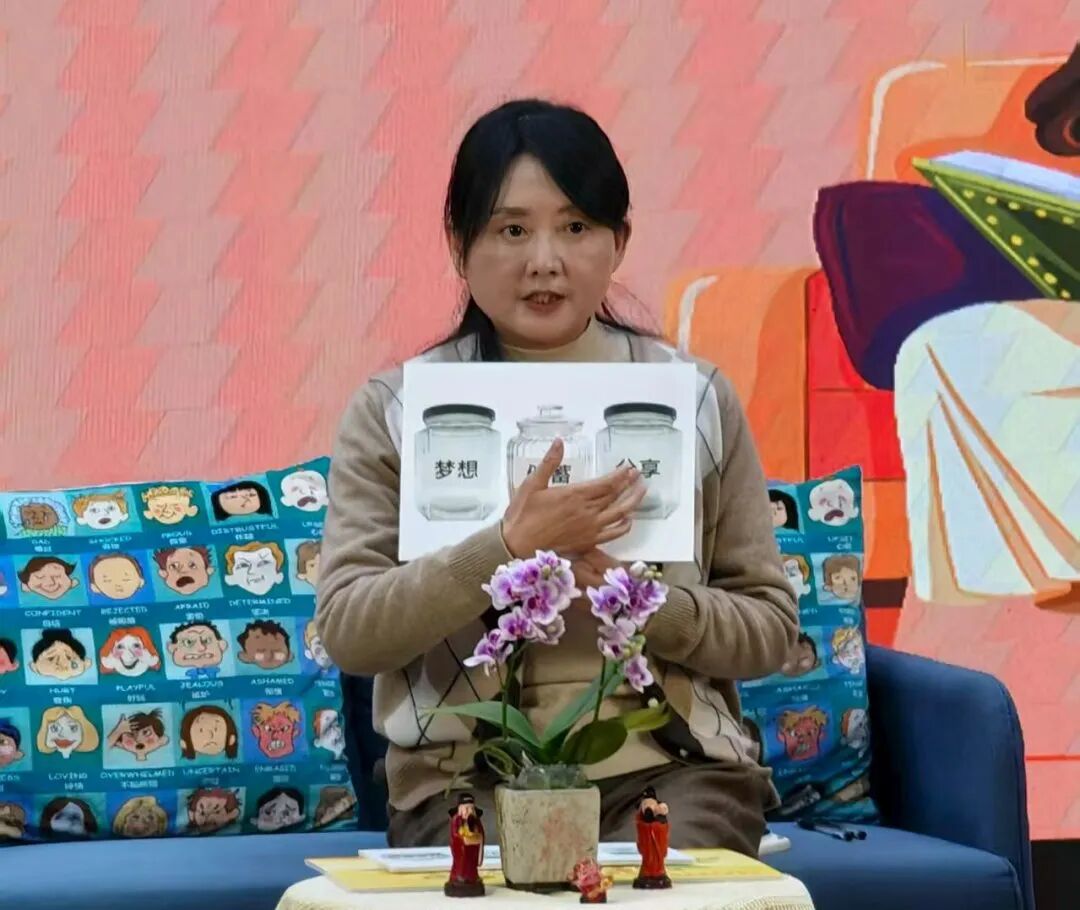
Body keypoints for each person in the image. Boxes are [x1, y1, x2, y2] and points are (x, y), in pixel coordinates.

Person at [316, 98, 798, 856]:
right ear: (459, 244)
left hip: (675, 771)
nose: (544, 260)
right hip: (465, 779)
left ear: (619, 241)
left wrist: (639, 600)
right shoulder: (396, 409)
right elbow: (349, 631)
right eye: (512, 230)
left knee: (666, 890)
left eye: (575, 228)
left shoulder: (695, 398)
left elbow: (768, 630)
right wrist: (503, 548)